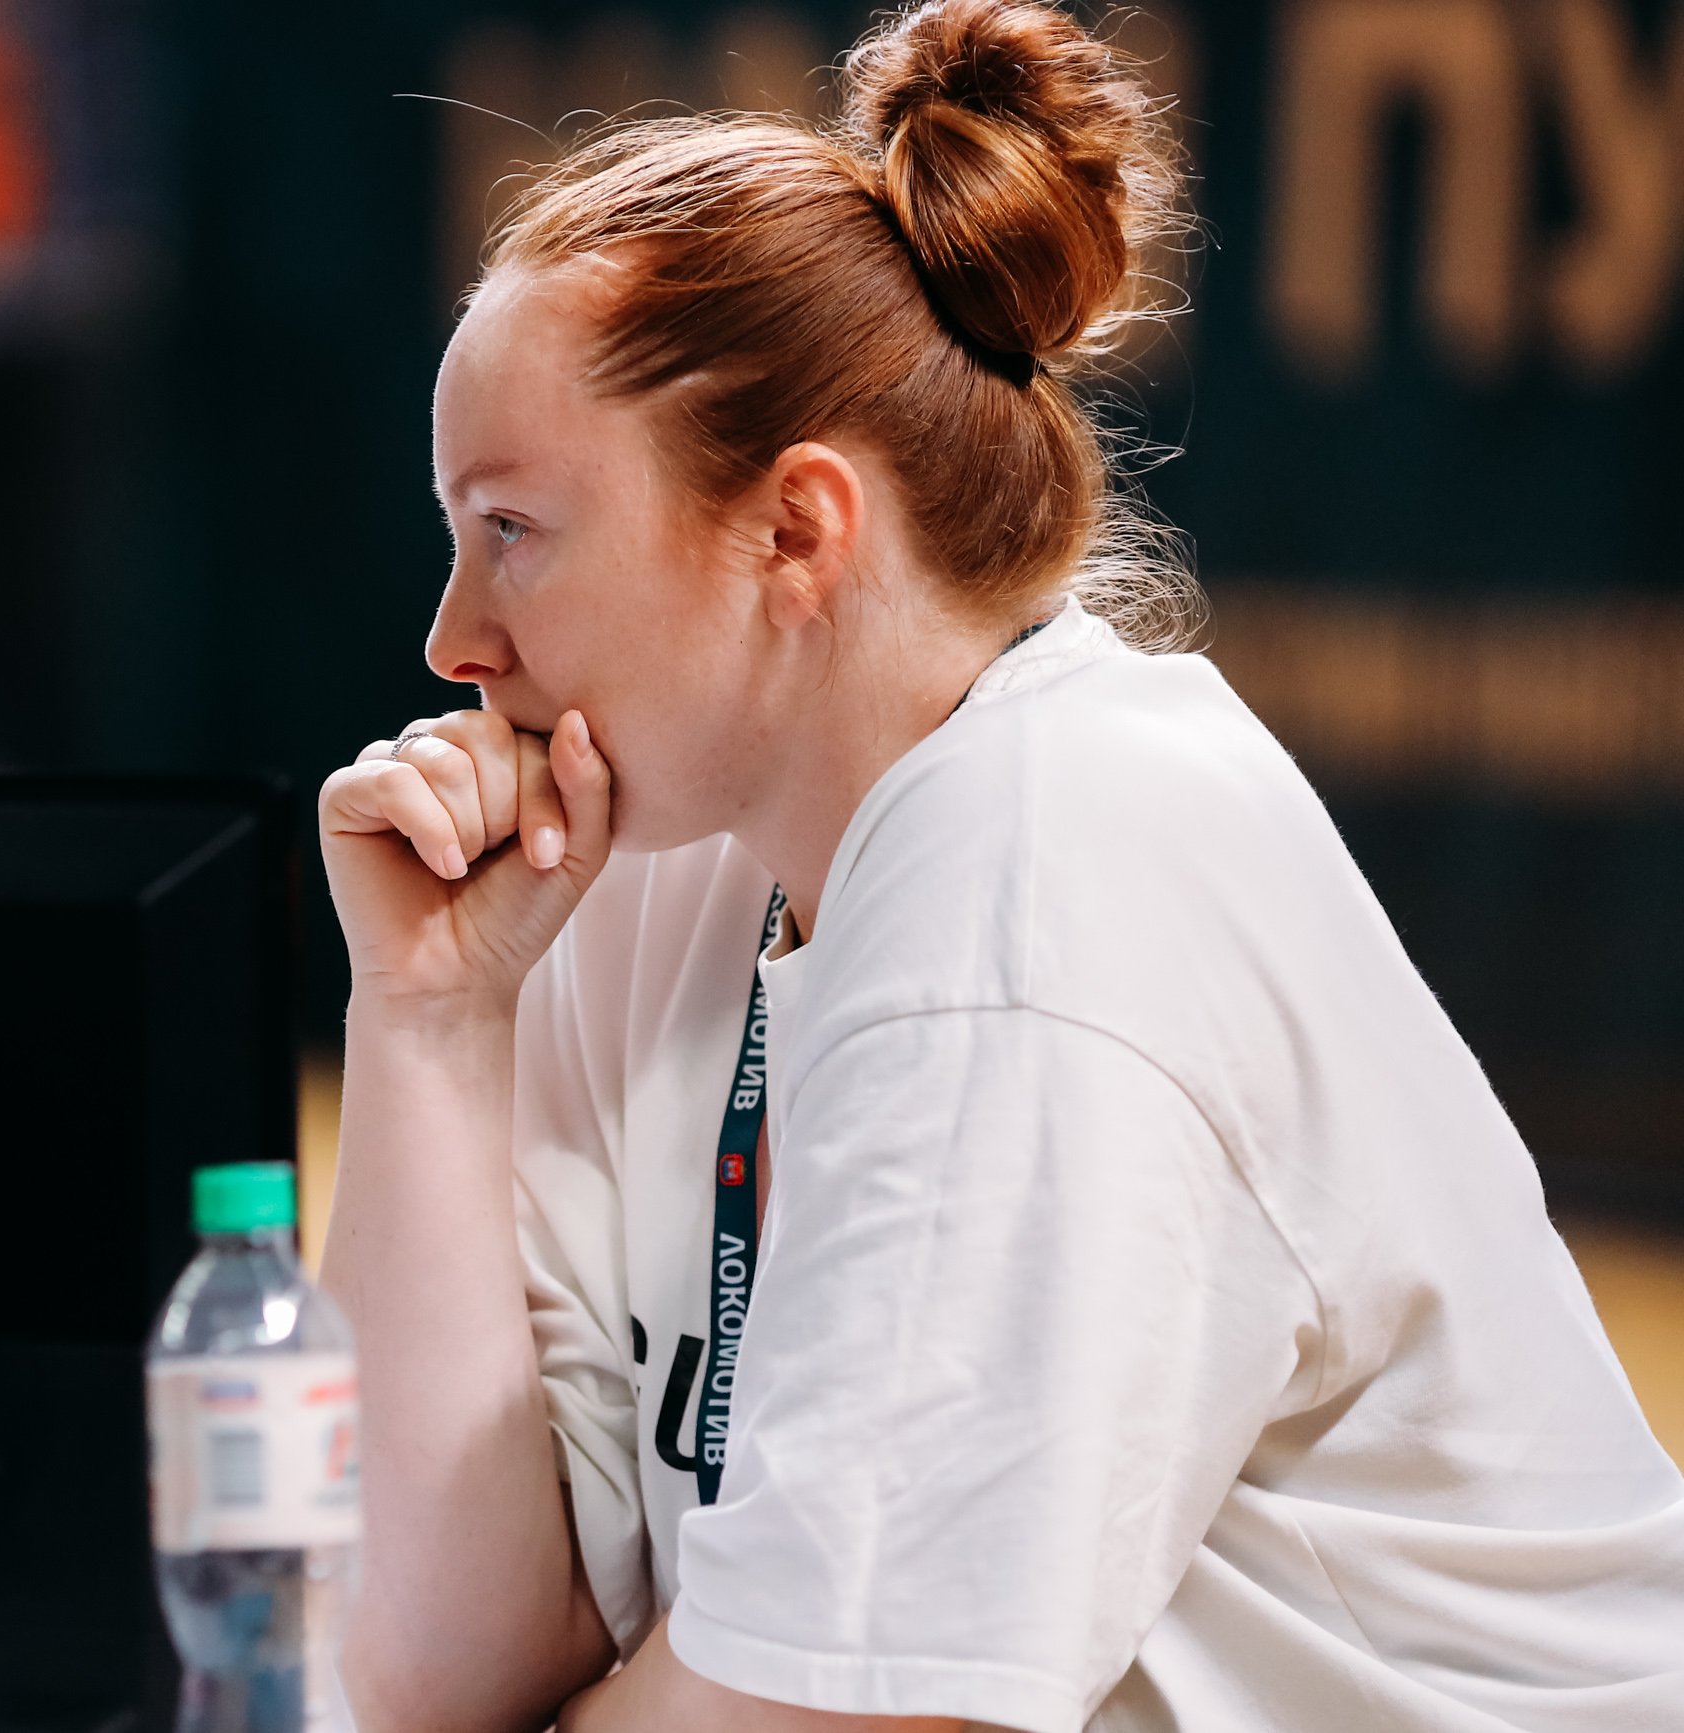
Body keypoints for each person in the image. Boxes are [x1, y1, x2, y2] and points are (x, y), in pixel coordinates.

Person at [313, 3, 1684, 1730]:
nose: (452, 641)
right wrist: (432, 1018)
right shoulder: (666, 857)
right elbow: (420, 1661)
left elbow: (828, 1720)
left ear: (796, 531)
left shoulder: (1048, 871)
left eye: (512, 530)